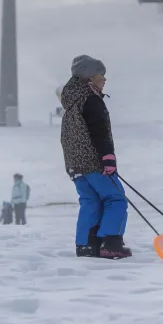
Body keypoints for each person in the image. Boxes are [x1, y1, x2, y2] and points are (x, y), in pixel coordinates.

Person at [59, 54, 131, 259]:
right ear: (89, 77)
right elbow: (100, 131)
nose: (105, 80)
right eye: (101, 75)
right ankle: (111, 242)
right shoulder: (91, 100)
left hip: (76, 165)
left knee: (90, 201)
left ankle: (86, 245)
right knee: (116, 199)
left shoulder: (72, 101)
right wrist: (107, 157)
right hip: (94, 162)